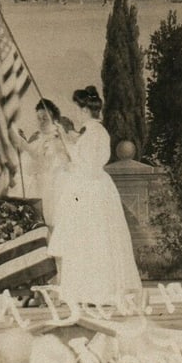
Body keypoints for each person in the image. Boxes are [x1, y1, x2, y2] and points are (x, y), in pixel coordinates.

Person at [48, 86, 143, 305]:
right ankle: (87, 290)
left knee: (91, 239)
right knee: (88, 239)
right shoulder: (94, 132)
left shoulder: (94, 133)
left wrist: (66, 142)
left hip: (91, 189)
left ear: (83, 110)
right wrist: (67, 137)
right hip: (93, 187)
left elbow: (87, 165)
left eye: (76, 108)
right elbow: (83, 153)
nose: (75, 113)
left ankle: (95, 291)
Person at [12, 99, 68, 226]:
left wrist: (23, 144)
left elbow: (43, 162)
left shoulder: (58, 139)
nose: (41, 122)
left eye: (45, 119)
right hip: (39, 186)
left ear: (54, 119)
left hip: (55, 187)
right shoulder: (38, 140)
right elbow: (27, 163)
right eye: (39, 119)